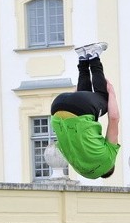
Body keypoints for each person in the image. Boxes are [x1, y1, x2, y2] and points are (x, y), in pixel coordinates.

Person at [50, 42, 120, 179]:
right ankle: (82, 58)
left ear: (112, 166)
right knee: (86, 110)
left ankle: (94, 56)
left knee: (103, 99)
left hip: (80, 109)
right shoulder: (80, 167)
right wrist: (75, 97)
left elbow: (114, 118)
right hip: (57, 108)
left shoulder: (109, 157)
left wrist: (111, 93)